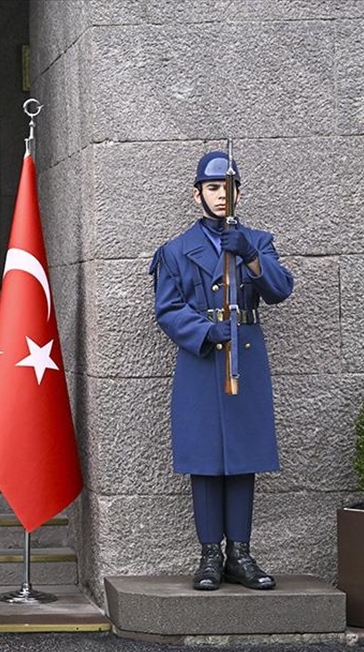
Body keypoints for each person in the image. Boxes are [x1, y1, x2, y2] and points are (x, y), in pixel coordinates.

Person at [149, 150, 294, 592]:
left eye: (227, 188)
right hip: (202, 360)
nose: (220, 196)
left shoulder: (257, 242)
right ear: (198, 196)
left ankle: (241, 555)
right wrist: (206, 332)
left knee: (243, 458)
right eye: (212, 188)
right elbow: (167, 309)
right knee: (206, 461)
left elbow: (280, 289)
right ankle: (210, 555)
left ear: (238, 193)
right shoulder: (175, 251)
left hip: (245, 359)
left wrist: (251, 257)